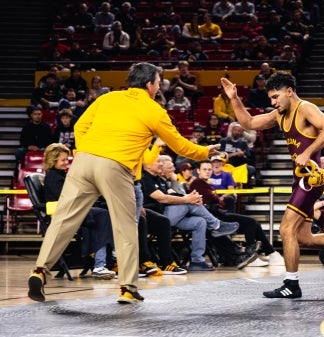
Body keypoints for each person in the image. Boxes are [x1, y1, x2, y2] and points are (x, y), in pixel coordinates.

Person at [27, 62, 218, 304]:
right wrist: (204, 152)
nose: (159, 86)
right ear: (149, 85)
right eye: (158, 82)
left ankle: (39, 271)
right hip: (116, 167)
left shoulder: (107, 98)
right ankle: (128, 288)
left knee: (63, 220)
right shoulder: (154, 110)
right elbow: (180, 145)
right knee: (126, 227)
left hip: (83, 162)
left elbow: (79, 126)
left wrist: (91, 153)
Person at [220, 72, 324, 298]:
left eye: (275, 96)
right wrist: (234, 98)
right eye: (270, 98)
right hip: (299, 179)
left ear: (289, 92)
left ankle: (292, 284)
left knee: (286, 229)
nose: (273, 102)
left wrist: (308, 151)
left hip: (309, 180)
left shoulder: (305, 108)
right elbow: (249, 122)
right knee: (304, 238)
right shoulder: (279, 114)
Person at [141, 156, 240, 271]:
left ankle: (197, 261)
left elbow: (173, 194)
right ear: (147, 164)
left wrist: (191, 197)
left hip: (170, 216)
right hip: (156, 218)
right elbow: (162, 198)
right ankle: (217, 225)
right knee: (189, 203)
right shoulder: (145, 178)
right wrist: (188, 199)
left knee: (200, 222)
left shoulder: (159, 179)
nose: (161, 164)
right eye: (158, 161)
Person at [189, 160, 285, 267]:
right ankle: (259, 255)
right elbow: (207, 204)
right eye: (204, 169)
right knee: (251, 222)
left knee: (254, 223)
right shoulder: (197, 183)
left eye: (209, 169)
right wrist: (219, 201)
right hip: (214, 217)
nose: (207, 172)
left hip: (218, 214)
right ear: (198, 171)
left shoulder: (205, 184)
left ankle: (267, 253)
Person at [43, 143, 115, 279]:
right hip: (65, 214)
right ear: (53, 161)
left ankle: (99, 260)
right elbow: (67, 197)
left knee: (103, 214)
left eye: (67, 160)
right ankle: (99, 263)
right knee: (103, 216)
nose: (66, 163)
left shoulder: (61, 175)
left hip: (75, 210)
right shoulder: (53, 177)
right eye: (63, 160)